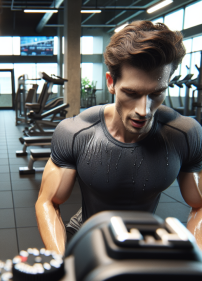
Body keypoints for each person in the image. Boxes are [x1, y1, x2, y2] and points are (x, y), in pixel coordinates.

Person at [35, 20, 202, 255]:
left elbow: (200, 203)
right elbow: (48, 202)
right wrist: (61, 261)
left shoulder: (184, 133)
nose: (143, 110)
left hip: (142, 239)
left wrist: (196, 258)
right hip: (85, 234)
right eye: (131, 93)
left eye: (156, 93)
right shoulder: (75, 132)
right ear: (111, 83)